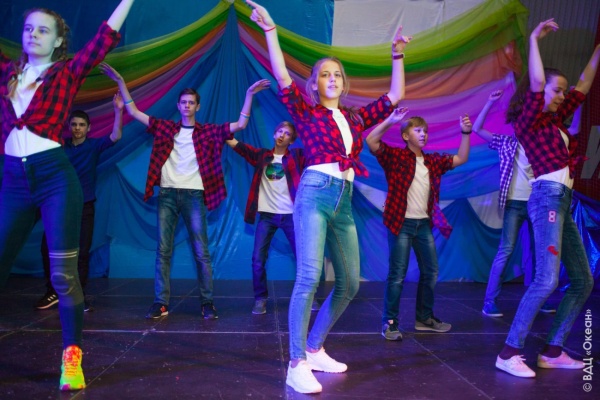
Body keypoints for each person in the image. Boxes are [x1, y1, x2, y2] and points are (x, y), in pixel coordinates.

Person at [246, 0, 409, 394]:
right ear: (315, 83)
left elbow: (395, 95)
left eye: (337, 74)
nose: (332, 78)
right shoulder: (306, 112)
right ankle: (296, 363)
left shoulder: (354, 117)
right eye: (325, 74)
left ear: (343, 82)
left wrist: (397, 56)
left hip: (344, 200)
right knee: (309, 277)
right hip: (315, 194)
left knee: (350, 283)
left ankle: (315, 347)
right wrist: (271, 31)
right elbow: (282, 75)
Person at [0, 0, 134, 391]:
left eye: (43, 30)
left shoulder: (67, 72)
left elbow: (105, 38)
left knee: (63, 275)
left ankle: (71, 358)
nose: (33, 35)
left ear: (59, 40)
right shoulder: (7, 74)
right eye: (28, 29)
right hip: (13, 181)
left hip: (55, 179)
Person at [100, 62, 271, 320]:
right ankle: (161, 303)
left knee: (201, 251)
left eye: (191, 103)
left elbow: (240, 125)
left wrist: (249, 95)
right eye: (183, 102)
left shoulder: (209, 132)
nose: (187, 106)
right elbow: (134, 111)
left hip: (194, 196)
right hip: (167, 195)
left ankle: (207, 302)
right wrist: (121, 82)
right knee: (163, 251)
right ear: (178, 106)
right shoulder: (165, 128)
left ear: (197, 107)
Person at [495, 18, 599, 378]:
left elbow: (584, 84)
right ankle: (509, 352)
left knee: (583, 280)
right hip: (547, 199)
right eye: (557, 91)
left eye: (562, 92)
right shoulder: (530, 121)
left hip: (564, 201)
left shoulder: (556, 122)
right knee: (546, 279)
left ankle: (553, 350)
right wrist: (535, 40)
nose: (561, 96)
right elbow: (537, 82)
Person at [366, 109, 472, 341]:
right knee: (397, 275)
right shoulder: (395, 157)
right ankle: (389, 323)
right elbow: (371, 141)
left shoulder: (432, 161)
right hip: (401, 223)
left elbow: (461, 158)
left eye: (425, 131)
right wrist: (391, 120)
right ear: (406, 136)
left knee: (431, 271)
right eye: (418, 130)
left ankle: (424, 318)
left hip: (423, 224)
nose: (423, 134)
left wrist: (465, 133)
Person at [36, 95, 124, 312]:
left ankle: (78, 296)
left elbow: (115, 136)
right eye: (74, 124)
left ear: (88, 128)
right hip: (58, 206)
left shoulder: (93, 146)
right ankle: (52, 292)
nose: (77, 128)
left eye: (81, 125)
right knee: (48, 248)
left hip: (85, 206)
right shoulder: (59, 147)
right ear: (69, 127)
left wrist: (118, 110)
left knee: (82, 252)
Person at [474, 90, 557, 318]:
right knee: (506, 250)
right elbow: (477, 129)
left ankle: (539, 299)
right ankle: (489, 302)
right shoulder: (506, 142)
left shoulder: (541, 144)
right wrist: (489, 102)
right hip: (514, 204)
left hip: (537, 204)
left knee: (540, 252)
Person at [226, 122, 320, 315]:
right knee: (257, 259)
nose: (282, 135)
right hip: (267, 216)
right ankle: (260, 299)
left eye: (287, 134)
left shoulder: (297, 156)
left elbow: (317, 151)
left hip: (291, 216)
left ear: (291, 140)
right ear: (274, 134)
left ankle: (309, 296)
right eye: (279, 131)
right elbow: (237, 145)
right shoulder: (262, 156)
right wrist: (221, 132)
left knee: (304, 258)